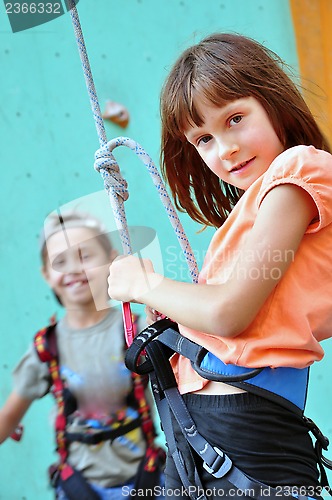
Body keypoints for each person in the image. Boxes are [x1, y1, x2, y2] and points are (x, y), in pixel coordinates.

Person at [107, 33, 332, 499]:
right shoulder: (257, 210)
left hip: (245, 434)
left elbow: (230, 313)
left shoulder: (299, 172)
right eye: (204, 138)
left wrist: (146, 283)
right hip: (198, 428)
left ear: (272, 102)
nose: (225, 148)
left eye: (235, 118)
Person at [0, 210, 165, 500]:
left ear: (111, 261)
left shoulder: (139, 331)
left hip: (148, 482)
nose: (73, 268)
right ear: (46, 275)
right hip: (79, 489)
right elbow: (8, 417)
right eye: (60, 261)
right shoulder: (46, 348)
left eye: (85, 256)